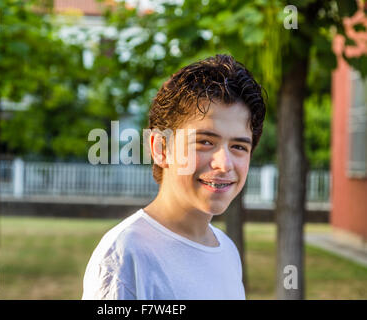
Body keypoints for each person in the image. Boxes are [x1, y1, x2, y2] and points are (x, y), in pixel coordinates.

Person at [81, 54, 266, 300]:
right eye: (205, 142)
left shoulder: (227, 251)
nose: (224, 164)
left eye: (239, 147)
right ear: (160, 148)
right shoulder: (125, 256)